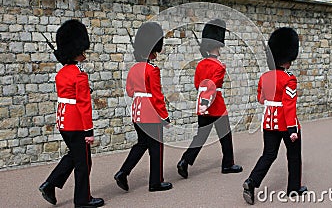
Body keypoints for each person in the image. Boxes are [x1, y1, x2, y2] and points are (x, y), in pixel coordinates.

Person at [39, 19, 104, 208]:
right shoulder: (80, 75)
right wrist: (89, 131)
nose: (85, 56)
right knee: (83, 162)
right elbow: (84, 105)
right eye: (83, 53)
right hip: (76, 123)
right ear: (77, 53)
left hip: (63, 121)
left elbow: (69, 94)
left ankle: (50, 184)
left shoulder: (62, 73)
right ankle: (83, 200)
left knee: (74, 156)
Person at [242, 27, 307, 205]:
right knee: (294, 156)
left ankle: (252, 181)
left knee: (268, 154)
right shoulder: (289, 78)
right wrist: (292, 129)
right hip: (286, 123)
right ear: (288, 59)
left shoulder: (265, 77)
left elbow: (261, 99)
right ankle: (294, 188)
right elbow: (289, 106)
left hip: (269, 122)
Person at [177, 19, 243, 179]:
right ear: (217, 46)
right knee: (225, 136)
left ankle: (185, 160)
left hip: (202, 104)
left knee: (201, 136)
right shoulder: (219, 66)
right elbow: (214, 85)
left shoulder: (200, 65)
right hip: (217, 105)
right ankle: (227, 164)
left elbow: (196, 84)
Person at [114, 22, 173, 192]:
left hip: (137, 113)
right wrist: (164, 117)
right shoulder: (152, 70)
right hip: (151, 113)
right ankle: (156, 182)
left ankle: (123, 172)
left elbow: (130, 92)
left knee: (141, 144)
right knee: (156, 147)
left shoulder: (133, 69)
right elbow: (157, 97)